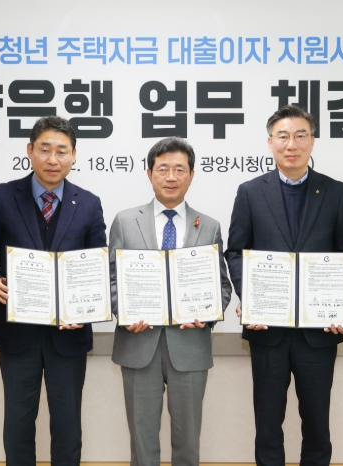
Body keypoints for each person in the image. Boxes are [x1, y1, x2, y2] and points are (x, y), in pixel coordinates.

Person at [224, 105, 343, 466]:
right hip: (267, 329)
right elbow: (236, 251)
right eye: (283, 136)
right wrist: (249, 297)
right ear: (270, 142)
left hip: (319, 331)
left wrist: (341, 302)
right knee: (268, 424)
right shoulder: (250, 192)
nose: (292, 144)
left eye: (301, 135)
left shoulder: (336, 192)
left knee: (317, 424)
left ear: (312, 141)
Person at [0, 116, 106, 466]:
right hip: (17, 334)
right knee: (17, 426)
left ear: (74, 155)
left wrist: (86, 309)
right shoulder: (1, 197)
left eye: (62, 151)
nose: (53, 159)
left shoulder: (89, 203)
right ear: (30, 151)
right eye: (45, 149)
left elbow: (97, 268)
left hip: (69, 336)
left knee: (68, 426)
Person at [109, 137, 232, 466]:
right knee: (142, 439)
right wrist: (124, 313)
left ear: (191, 175)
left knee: (188, 440)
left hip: (189, 345)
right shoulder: (125, 221)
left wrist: (207, 315)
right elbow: (111, 277)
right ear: (149, 174)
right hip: (139, 344)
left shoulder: (209, 225)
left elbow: (221, 285)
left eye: (180, 169)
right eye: (163, 169)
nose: (171, 177)